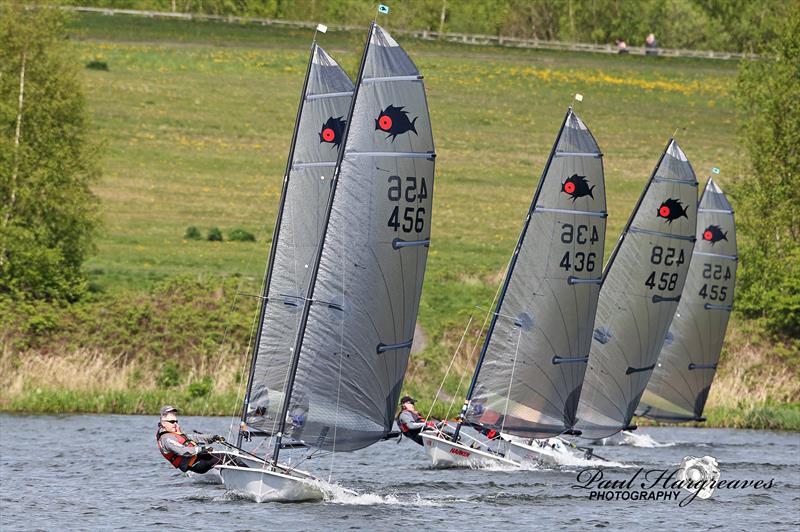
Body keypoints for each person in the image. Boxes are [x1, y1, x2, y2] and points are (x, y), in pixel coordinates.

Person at [156, 405, 224, 474]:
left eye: (176, 421)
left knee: (222, 456)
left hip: (197, 458)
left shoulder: (173, 431)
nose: (175, 424)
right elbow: (183, 451)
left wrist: (213, 438)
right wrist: (202, 449)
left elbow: (193, 438)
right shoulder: (167, 439)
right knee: (225, 457)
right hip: (195, 464)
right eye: (172, 422)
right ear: (163, 423)